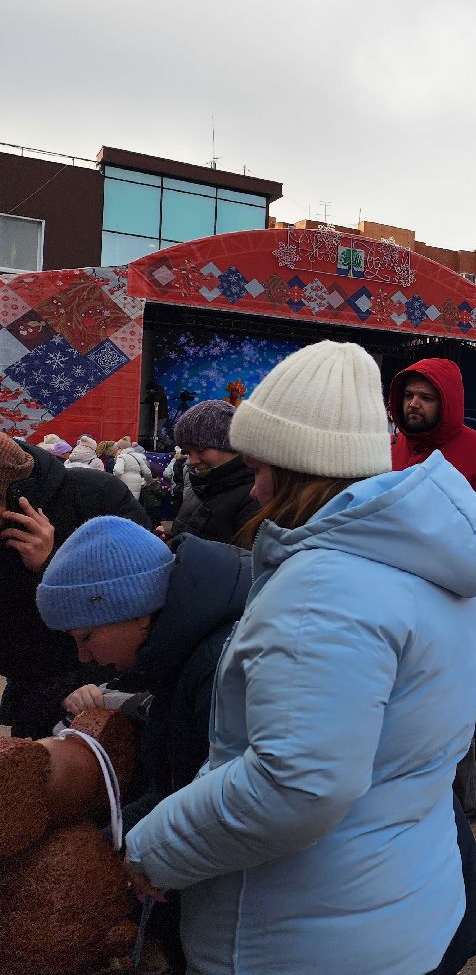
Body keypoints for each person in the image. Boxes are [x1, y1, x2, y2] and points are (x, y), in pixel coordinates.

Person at [124, 340, 476, 974]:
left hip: (305, 936)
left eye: (261, 465)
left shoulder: (325, 589)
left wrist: (152, 849)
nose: (256, 486)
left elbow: (295, 785)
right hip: (398, 900)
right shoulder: (425, 561)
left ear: (301, 465)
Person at [37, 516, 250, 971]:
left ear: (136, 609)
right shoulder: (188, 651)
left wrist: (128, 849)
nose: (84, 657)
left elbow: (229, 801)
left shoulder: (217, 664)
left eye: (86, 636)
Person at [389, 357, 476, 819]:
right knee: (440, 700)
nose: (414, 404)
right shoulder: (394, 449)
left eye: (426, 396)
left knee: (450, 702)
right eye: (408, 395)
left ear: (448, 402)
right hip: (403, 600)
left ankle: (457, 807)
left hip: (458, 601)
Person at [0, 433, 149, 738]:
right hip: (35, 695)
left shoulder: (99, 495)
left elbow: (141, 599)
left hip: (112, 692)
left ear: (14, 492)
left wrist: (51, 565)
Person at [166, 399, 260, 545]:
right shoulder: (202, 484)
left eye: (200, 450)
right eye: (188, 452)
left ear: (229, 445)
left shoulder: (254, 496)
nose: (192, 461)